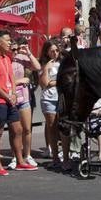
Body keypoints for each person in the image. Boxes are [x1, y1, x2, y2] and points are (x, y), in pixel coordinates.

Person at [0, 30, 33, 176]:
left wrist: (12, 93)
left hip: (10, 99)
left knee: (17, 129)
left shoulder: (7, 58)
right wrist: (6, 96)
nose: (10, 42)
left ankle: (20, 160)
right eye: (7, 40)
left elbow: (11, 77)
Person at [8, 37, 40, 169]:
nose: (15, 52)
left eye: (17, 49)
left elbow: (37, 67)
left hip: (24, 98)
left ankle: (27, 155)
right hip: (11, 97)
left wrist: (28, 53)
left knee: (27, 129)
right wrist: (20, 81)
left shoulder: (21, 57)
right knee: (14, 130)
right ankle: (15, 156)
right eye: (13, 49)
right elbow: (4, 82)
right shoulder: (5, 60)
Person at [39, 40, 65, 170]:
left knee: (64, 128)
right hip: (49, 98)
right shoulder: (45, 64)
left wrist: (54, 82)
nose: (55, 53)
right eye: (51, 51)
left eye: (56, 50)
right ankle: (55, 157)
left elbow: (66, 80)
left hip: (62, 98)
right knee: (52, 128)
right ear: (47, 52)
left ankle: (66, 157)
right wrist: (47, 68)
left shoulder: (63, 62)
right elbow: (44, 84)